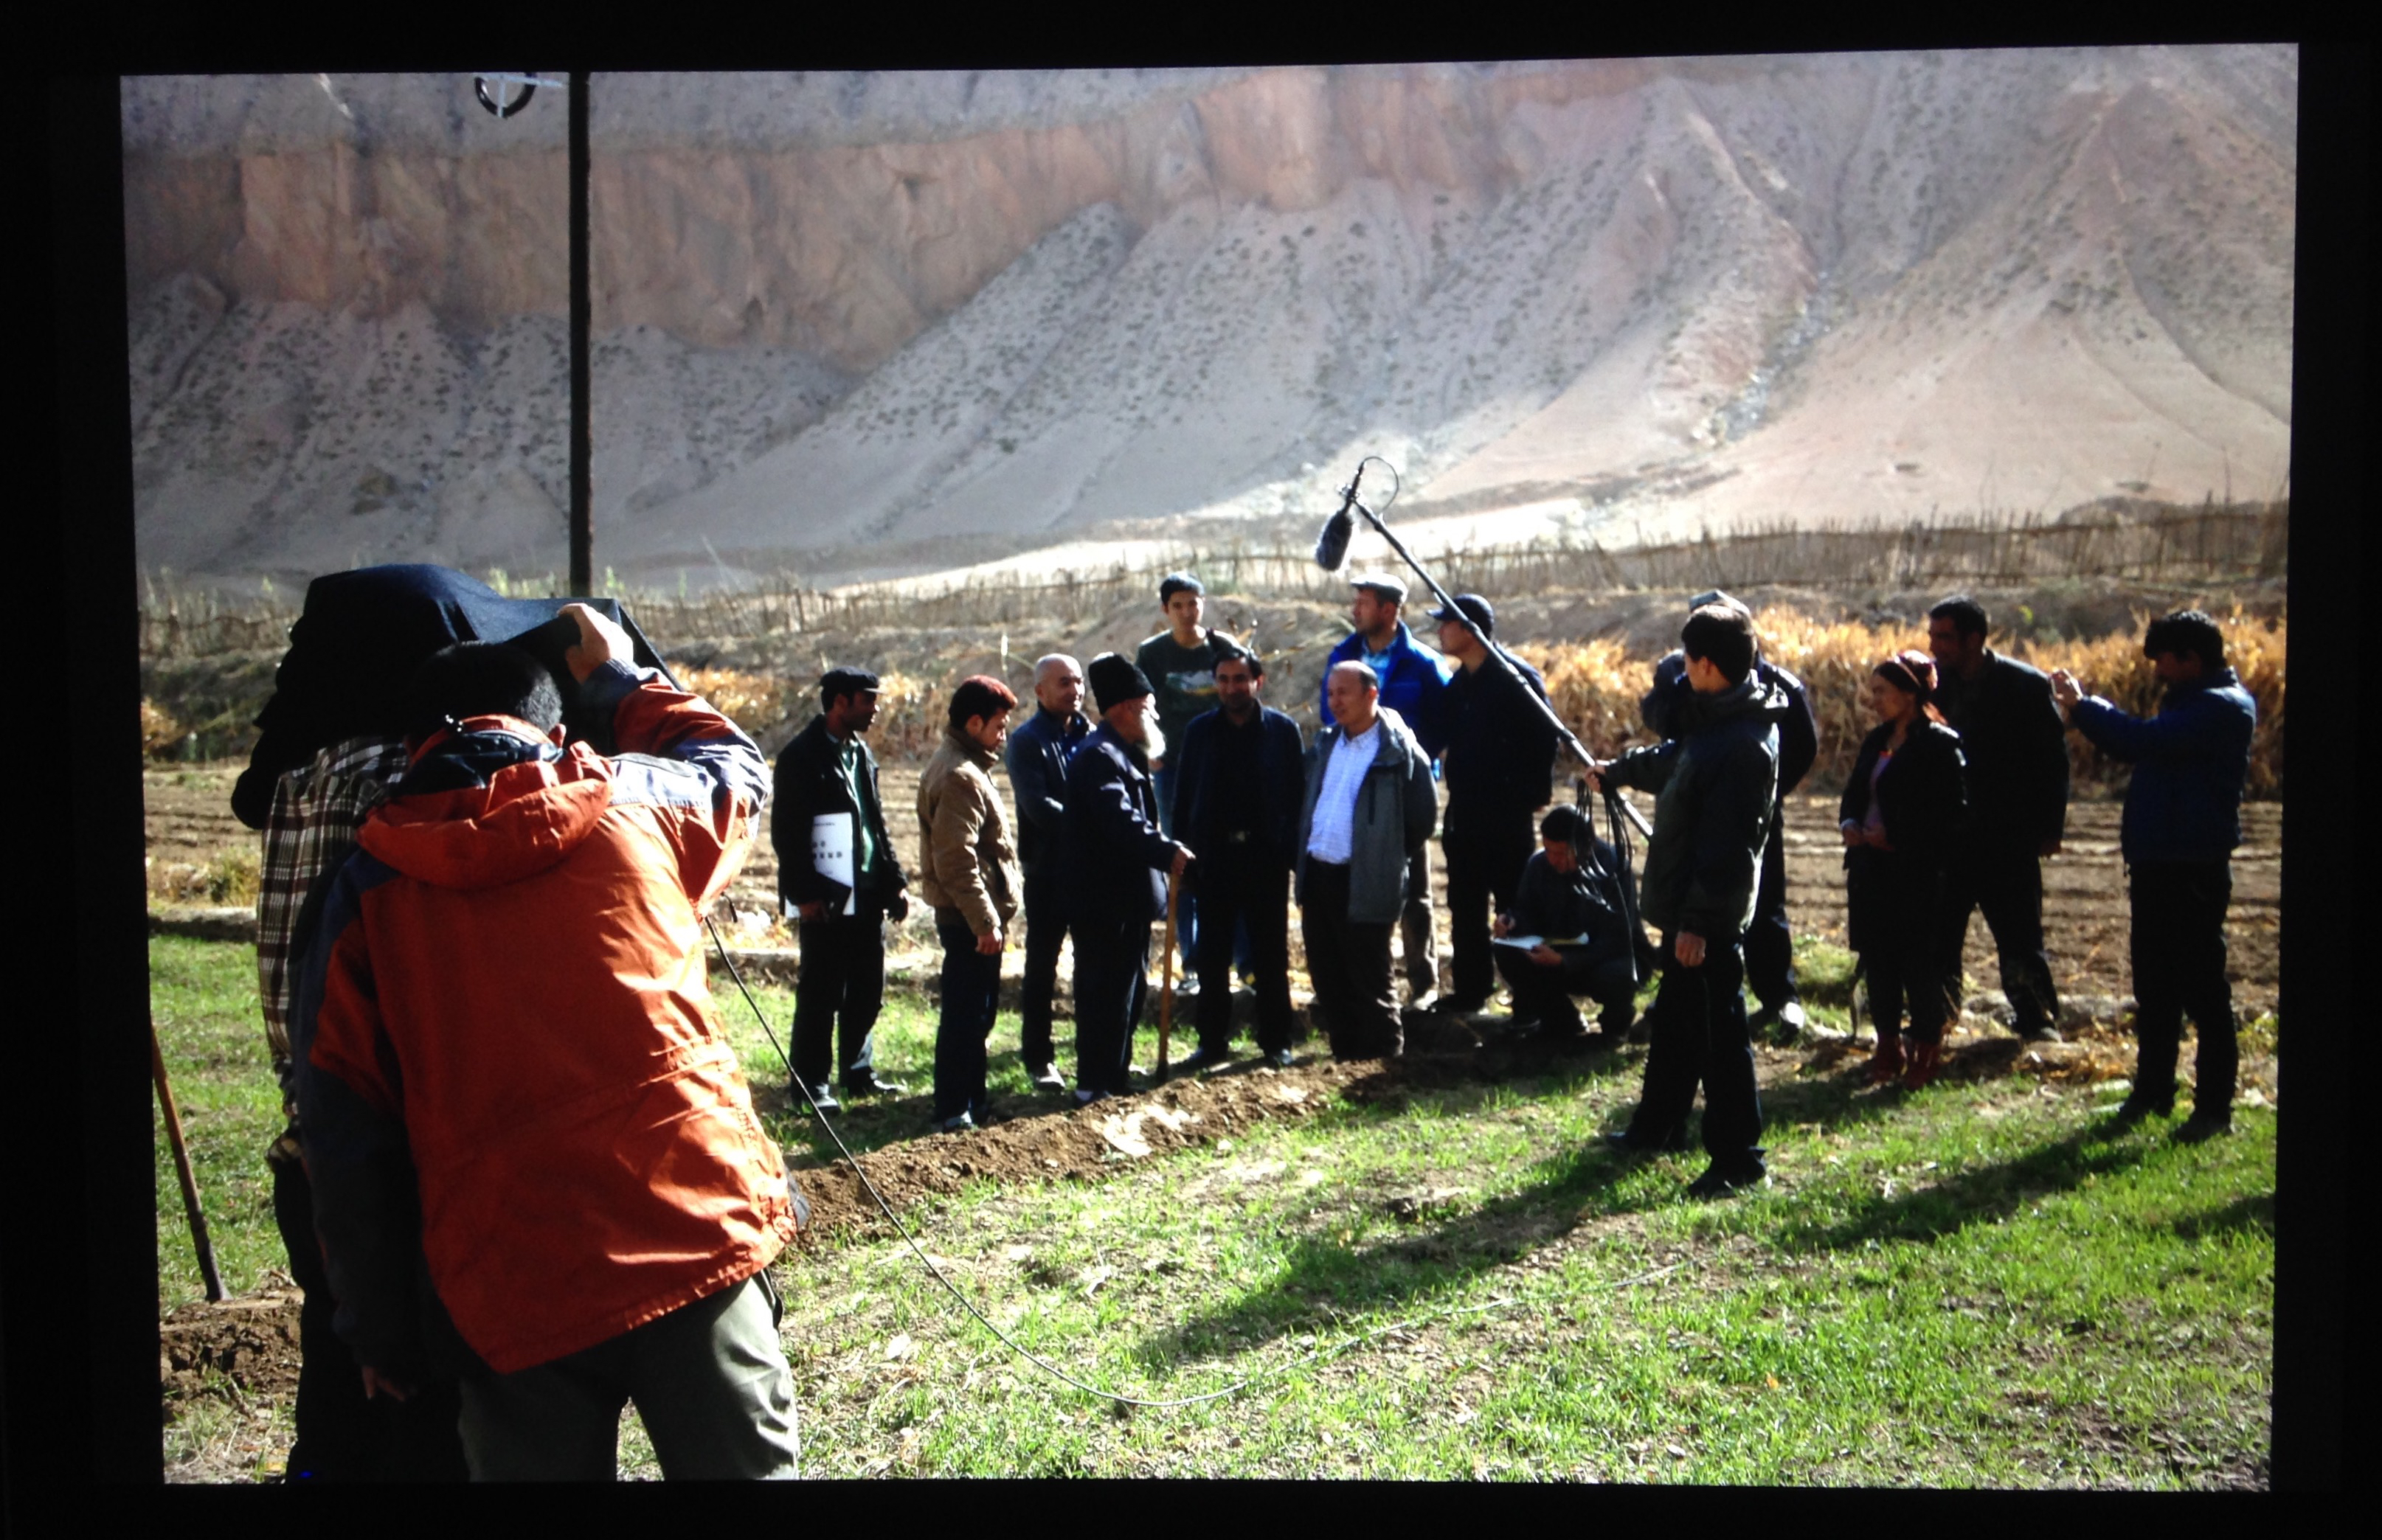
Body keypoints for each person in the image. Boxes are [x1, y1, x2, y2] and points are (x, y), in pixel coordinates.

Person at [292, 608, 801, 1480]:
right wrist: (620, 676)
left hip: (505, 1280)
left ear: (411, 749)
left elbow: (342, 1137)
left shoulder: (363, 892)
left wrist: (375, 1330)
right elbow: (736, 767)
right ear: (558, 735)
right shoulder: (641, 804)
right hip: (693, 1229)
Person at [238, 566, 584, 1482]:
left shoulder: (299, 779)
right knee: (438, 1425)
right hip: (410, 1164)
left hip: (319, 1155)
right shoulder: (411, 776)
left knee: (340, 1402)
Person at [1592, 605, 1787, 1198]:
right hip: (1689, 910)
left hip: (1710, 918)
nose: (1680, 670)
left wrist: (1698, 924)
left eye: (1685, 660)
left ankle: (1739, 1159)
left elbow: (1727, 848)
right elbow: (1676, 761)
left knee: (1720, 1037)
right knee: (1677, 1025)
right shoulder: (1722, 716)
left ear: (1705, 664)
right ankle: (1658, 1126)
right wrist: (1617, 772)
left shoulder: (1744, 743)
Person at [2053, 611, 2257, 1141]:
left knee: (2203, 990)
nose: (2157, 671)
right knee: (2156, 986)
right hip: (2161, 863)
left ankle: (2212, 1109)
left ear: (2191, 659)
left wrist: (2084, 706)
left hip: (2190, 867)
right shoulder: (2195, 702)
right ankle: (2152, 1091)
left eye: (2163, 660)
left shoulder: (2219, 707)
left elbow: (2139, 742)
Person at [1641, 590, 1819, 1040]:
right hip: (1691, 807)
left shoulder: (1778, 687)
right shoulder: (1680, 676)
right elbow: (1659, 722)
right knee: (1686, 906)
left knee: (1764, 904)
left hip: (1753, 813)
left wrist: (1764, 791)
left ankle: (1778, 995)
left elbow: (1803, 746)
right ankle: (1675, 997)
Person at [1927, 595, 2070, 1042]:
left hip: (2008, 836)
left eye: (1944, 637)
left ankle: (2037, 1019)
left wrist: (2050, 827)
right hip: (1950, 838)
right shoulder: (1933, 687)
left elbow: (2052, 762)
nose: (1935, 646)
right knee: (1940, 936)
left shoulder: (2024, 686)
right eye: (1932, 637)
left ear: (1974, 638)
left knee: (2019, 935)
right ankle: (1938, 1020)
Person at [775, 666, 911, 1112]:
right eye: (868, 701)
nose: (875, 710)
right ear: (839, 703)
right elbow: (788, 834)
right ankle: (811, 1085)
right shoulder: (801, 756)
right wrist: (804, 895)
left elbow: (875, 823)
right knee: (822, 991)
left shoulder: (861, 754)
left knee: (867, 989)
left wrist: (894, 883)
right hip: (828, 895)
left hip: (868, 891)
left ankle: (858, 1073)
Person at [1060, 654, 1194, 1105]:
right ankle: (1093, 1083)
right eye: (1147, 706)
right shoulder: (1099, 756)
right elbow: (1120, 821)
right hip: (1103, 901)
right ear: (1124, 708)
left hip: (1127, 899)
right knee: (1103, 993)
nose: (1154, 715)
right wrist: (1166, 851)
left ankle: (1114, 1076)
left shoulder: (1121, 752)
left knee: (1126, 993)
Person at [1169, 643, 1306, 1070]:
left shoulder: (1282, 731)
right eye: (1224, 680)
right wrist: (1180, 854)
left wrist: (1289, 853)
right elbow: (1183, 797)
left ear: (1257, 681)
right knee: (1212, 957)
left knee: (1270, 955)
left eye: (1240, 679)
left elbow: (1297, 798)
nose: (1232, 688)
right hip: (1214, 860)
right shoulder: (1200, 732)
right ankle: (1212, 1044)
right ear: (1216, 684)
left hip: (1265, 860)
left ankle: (1276, 1042)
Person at [1838, 651, 1970, 1091]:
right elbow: (1855, 793)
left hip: (1915, 875)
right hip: (1871, 871)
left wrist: (1895, 835)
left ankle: (1926, 1049)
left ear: (1909, 694)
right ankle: (1888, 1045)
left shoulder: (1939, 745)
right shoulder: (1876, 740)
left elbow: (1950, 814)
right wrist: (1850, 822)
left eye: (1882, 692)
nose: (1874, 700)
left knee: (1918, 963)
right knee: (1879, 961)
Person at [1319, 573, 1453, 1005]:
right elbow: (1328, 712)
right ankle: (1346, 980)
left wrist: (1407, 765)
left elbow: (1441, 725)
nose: (1355, 610)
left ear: (1389, 610)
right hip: (1350, 783)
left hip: (1402, 790)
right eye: (1356, 602)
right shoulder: (1343, 656)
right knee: (1345, 881)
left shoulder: (1423, 664)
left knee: (1414, 889)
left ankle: (1423, 984)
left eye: (1364, 603)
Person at [1297, 661, 1438, 1061]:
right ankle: (1345, 1058)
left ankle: (1381, 1063)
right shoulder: (1327, 744)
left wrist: (1383, 852)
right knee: (1327, 975)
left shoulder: (1399, 752)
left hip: (1366, 879)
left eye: (1343, 693)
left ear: (1371, 694)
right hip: (1320, 873)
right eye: (1330, 693)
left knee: (1370, 977)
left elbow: (1421, 819)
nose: (1335, 702)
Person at [1429, 593, 1560, 1016]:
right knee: (1465, 905)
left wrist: (1531, 795)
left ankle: (1530, 997)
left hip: (1505, 816)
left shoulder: (1516, 679)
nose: (1439, 631)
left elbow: (1546, 738)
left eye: (1446, 623)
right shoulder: (1460, 684)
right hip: (1464, 813)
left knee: (1513, 906)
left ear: (1469, 630)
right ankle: (1471, 991)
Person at [918, 676, 1024, 1133]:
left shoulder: (966, 765)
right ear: (975, 723)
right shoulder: (960, 775)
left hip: (974, 916)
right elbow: (956, 859)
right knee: (965, 1015)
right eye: (999, 726)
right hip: (967, 918)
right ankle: (954, 1107)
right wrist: (984, 920)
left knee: (977, 1013)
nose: (1003, 735)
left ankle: (973, 1102)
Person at [1003, 654, 1093, 1092]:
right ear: (1040, 691)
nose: (1074, 690)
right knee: (1042, 967)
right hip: (1048, 872)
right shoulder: (1026, 742)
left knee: (1093, 966)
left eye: (1078, 682)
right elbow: (1038, 806)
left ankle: (1094, 1052)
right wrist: (1095, 826)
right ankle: (1039, 1057)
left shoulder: (1091, 735)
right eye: (1064, 683)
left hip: (1090, 871)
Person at [1135, 572, 1230, 974]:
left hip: (1221, 768)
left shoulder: (1223, 648)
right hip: (1173, 768)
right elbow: (1142, 704)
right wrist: (1150, 750)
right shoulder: (1153, 654)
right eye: (1178, 606)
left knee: (1226, 857)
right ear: (1165, 610)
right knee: (1181, 858)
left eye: (1194, 604)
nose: (1187, 612)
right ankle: (1192, 959)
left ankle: (1234, 957)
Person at [1490, 804, 1640, 1047]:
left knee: (1616, 975)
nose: (1553, 860)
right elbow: (1527, 910)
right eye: (1549, 851)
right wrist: (1511, 922)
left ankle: (1615, 1028)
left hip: (1604, 955)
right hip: (1556, 949)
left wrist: (1566, 961)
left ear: (1586, 846)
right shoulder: (1539, 864)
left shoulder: (1614, 868)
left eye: (1561, 854)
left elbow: (1619, 937)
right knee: (1506, 950)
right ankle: (1562, 1020)